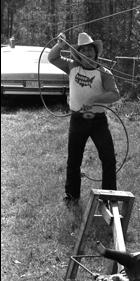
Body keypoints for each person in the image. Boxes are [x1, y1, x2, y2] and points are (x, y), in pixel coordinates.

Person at [48, 32, 120, 206]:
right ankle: (72, 197)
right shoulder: (72, 66)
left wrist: (94, 99)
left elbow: (115, 94)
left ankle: (108, 197)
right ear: (78, 54)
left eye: (90, 50)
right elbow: (52, 57)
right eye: (83, 50)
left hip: (98, 122)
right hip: (77, 120)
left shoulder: (104, 72)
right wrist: (59, 45)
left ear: (95, 52)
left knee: (108, 159)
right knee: (74, 159)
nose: (87, 53)